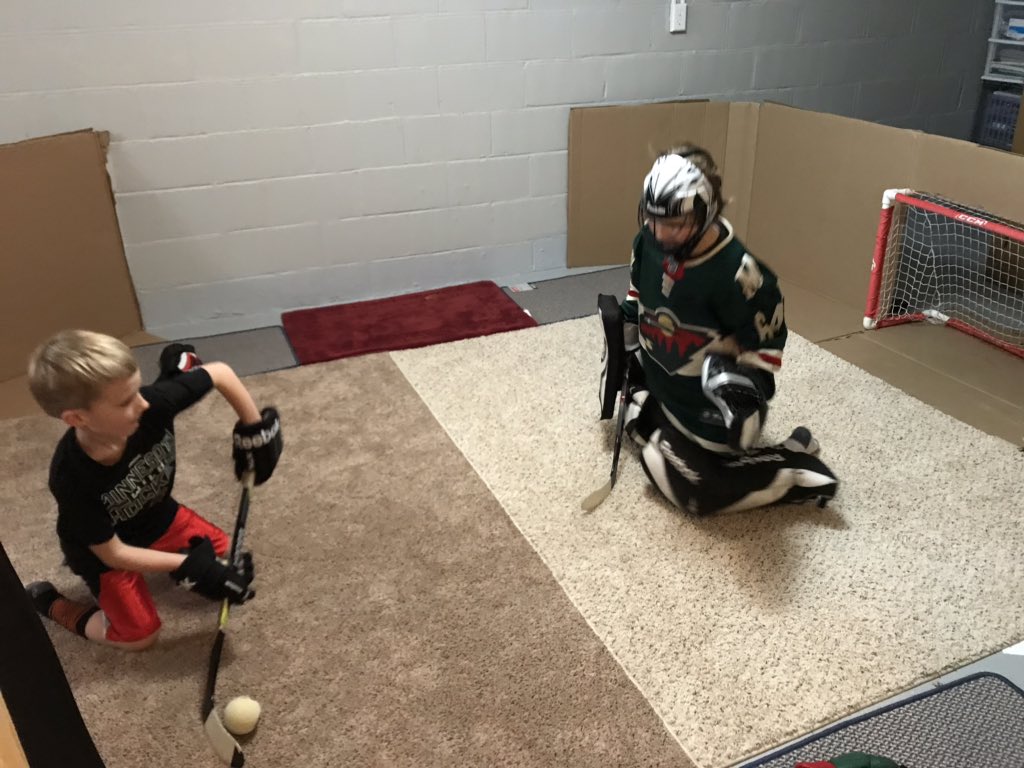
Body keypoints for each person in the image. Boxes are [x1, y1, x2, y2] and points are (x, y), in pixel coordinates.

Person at [598, 144, 838, 515]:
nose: (659, 232)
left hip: (705, 410)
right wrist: (624, 347)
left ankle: (792, 467)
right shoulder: (647, 241)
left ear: (704, 213)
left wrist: (743, 391)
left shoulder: (740, 276)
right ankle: (662, 426)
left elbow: (766, 348)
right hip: (662, 384)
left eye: (673, 224)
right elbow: (636, 299)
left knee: (691, 489)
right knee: (640, 428)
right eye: (652, 218)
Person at [22, 330, 283, 651]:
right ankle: (53, 604)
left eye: (138, 389)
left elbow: (220, 373)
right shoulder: (70, 478)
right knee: (141, 637)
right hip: (104, 556)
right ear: (78, 418)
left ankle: (180, 560)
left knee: (230, 553)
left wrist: (253, 428)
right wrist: (186, 566)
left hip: (160, 516)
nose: (143, 402)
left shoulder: (153, 404)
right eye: (126, 400)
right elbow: (115, 553)